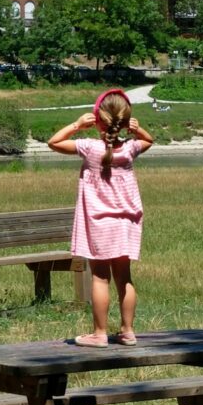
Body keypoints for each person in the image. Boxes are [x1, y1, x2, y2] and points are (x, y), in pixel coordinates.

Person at [48, 89, 154, 347]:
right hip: (126, 223)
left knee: (100, 277)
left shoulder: (89, 148)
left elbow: (54, 142)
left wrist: (76, 125)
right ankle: (128, 331)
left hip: (99, 223)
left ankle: (99, 334)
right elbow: (149, 141)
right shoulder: (129, 150)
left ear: (96, 120)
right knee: (124, 277)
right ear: (124, 121)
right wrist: (137, 131)